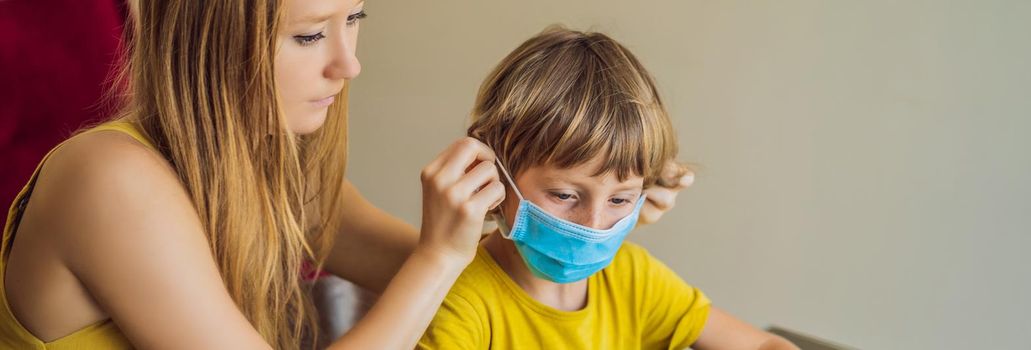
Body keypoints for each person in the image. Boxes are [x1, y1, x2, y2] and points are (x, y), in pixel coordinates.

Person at [0, 1, 691, 349]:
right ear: (208, 38)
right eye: (308, 35)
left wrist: (568, 217)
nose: (348, 64)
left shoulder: (271, 173)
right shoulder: (111, 181)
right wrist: (439, 253)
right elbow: (433, 273)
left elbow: (476, 285)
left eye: (354, 20)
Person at [417, 27, 797, 350]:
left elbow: (764, 344)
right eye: (564, 195)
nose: (594, 223)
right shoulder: (459, 303)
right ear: (492, 173)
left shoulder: (632, 277)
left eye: (620, 199)